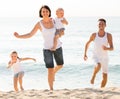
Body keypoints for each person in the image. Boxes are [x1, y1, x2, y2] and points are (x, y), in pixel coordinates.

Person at [14, 5, 64, 90]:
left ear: (49, 12)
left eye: (46, 11)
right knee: (50, 69)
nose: (45, 13)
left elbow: (62, 32)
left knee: (60, 65)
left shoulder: (55, 21)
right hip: (47, 49)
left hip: (58, 47)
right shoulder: (39, 24)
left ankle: (54, 73)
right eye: (43, 11)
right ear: (41, 13)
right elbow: (30, 34)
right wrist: (19, 36)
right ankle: (51, 89)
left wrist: (58, 35)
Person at [84, 18, 114, 88]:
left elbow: (112, 48)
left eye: (102, 24)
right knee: (98, 65)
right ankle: (93, 76)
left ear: (105, 25)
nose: (101, 25)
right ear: (97, 25)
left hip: (105, 58)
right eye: (99, 24)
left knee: (105, 77)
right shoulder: (94, 35)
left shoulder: (108, 35)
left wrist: (107, 48)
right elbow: (87, 43)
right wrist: (85, 54)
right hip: (96, 56)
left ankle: (101, 89)